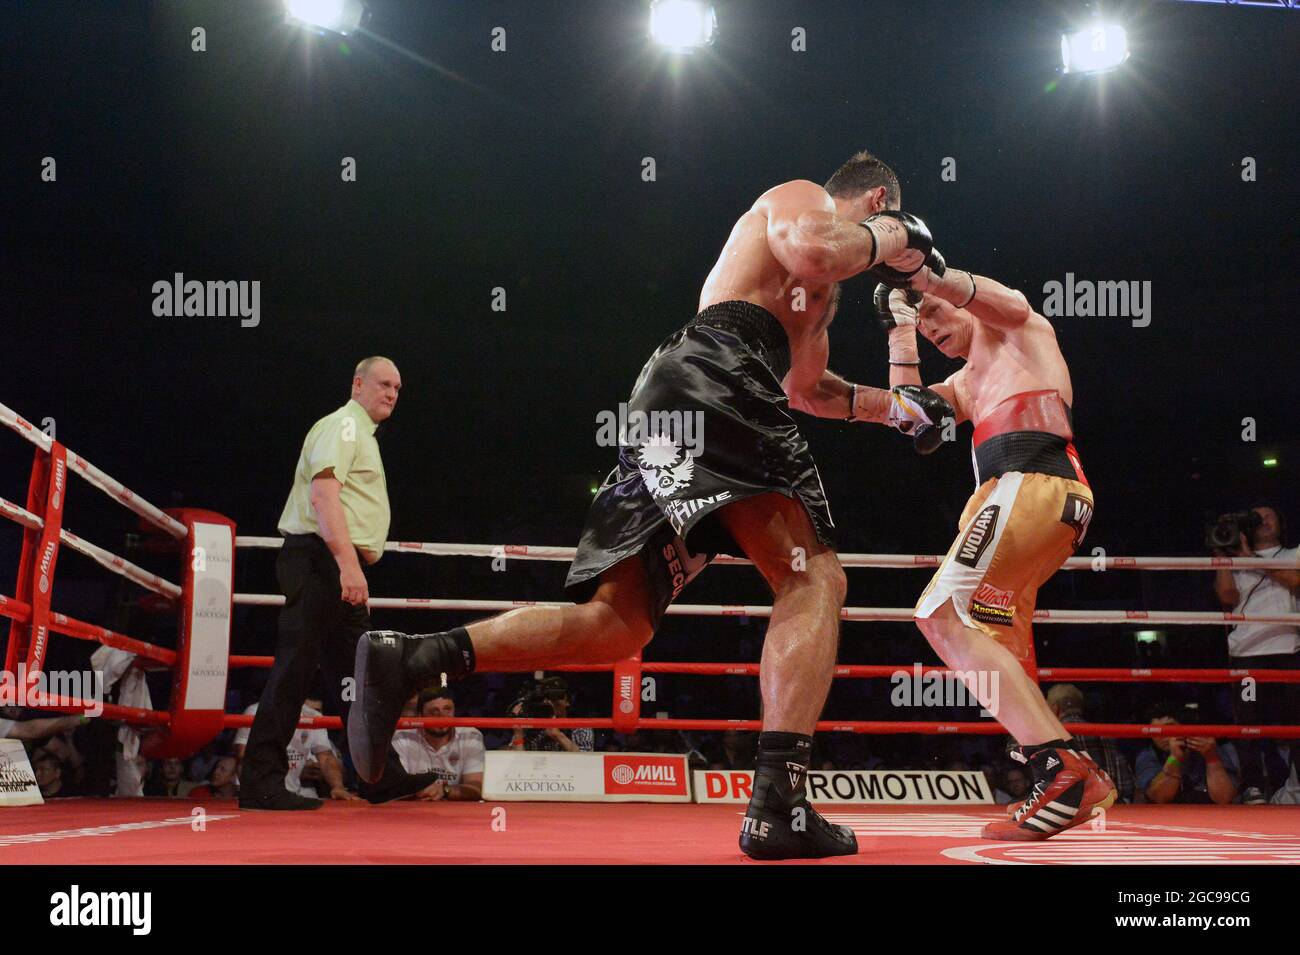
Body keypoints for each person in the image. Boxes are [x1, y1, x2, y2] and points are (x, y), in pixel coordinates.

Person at [351, 150, 953, 859]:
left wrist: (900, 411)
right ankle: (779, 800)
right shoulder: (802, 202)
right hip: (718, 373)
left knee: (617, 623)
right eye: (881, 229)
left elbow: (809, 390)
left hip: (687, 400)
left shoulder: (817, 300)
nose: (882, 259)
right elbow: (814, 247)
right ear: (876, 199)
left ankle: (412, 658)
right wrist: (894, 238)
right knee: (813, 576)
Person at [870, 259, 1117, 840]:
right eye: (922, 323)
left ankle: (1061, 768)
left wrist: (922, 277)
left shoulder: (1017, 327)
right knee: (995, 636)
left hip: (1032, 481)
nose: (931, 325)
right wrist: (898, 328)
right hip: (1031, 500)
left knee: (938, 613)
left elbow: (1003, 301)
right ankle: (1057, 774)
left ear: (953, 290)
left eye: (933, 312)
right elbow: (908, 416)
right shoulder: (963, 381)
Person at [239, 356, 432, 810]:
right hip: (322, 562)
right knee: (295, 670)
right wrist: (348, 565)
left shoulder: (359, 433)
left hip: (335, 565)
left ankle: (379, 776)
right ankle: (260, 781)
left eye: (398, 388)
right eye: (384, 384)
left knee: (361, 677)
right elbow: (323, 496)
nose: (392, 394)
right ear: (358, 384)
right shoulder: (344, 427)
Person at [1211, 505, 1299, 803]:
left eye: (1270, 515)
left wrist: (1249, 558)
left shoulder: (1293, 554)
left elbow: (1295, 582)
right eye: (1257, 517)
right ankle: (1252, 786)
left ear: (1280, 522)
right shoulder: (1235, 560)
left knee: (1295, 722)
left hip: (1287, 650)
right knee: (1247, 722)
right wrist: (1223, 556)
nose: (1263, 520)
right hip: (1246, 655)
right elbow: (1227, 597)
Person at [235, 698, 359, 802]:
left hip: (292, 793)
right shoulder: (256, 711)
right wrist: (253, 793)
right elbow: (243, 755)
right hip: (260, 792)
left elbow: (326, 756)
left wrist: (337, 786)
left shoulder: (313, 716)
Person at [1045, 683, 1134, 803]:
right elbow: (1125, 783)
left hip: (1070, 808)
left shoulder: (1051, 736)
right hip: (1109, 803)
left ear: (1055, 708)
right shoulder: (1102, 734)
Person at [391, 690, 485, 801]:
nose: (442, 716)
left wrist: (444, 790)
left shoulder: (470, 736)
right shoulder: (402, 737)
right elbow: (396, 786)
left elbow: (476, 788)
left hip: (455, 811)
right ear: (420, 715)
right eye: (433, 711)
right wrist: (421, 790)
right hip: (414, 809)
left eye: (447, 709)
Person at [1135, 709, 1239, 805]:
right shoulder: (1148, 756)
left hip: (1209, 817)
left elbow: (1224, 798)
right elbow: (1160, 798)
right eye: (1155, 731)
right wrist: (1175, 759)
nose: (1163, 735)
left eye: (1168, 728)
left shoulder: (1209, 748)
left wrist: (1211, 758)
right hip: (1167, 819)